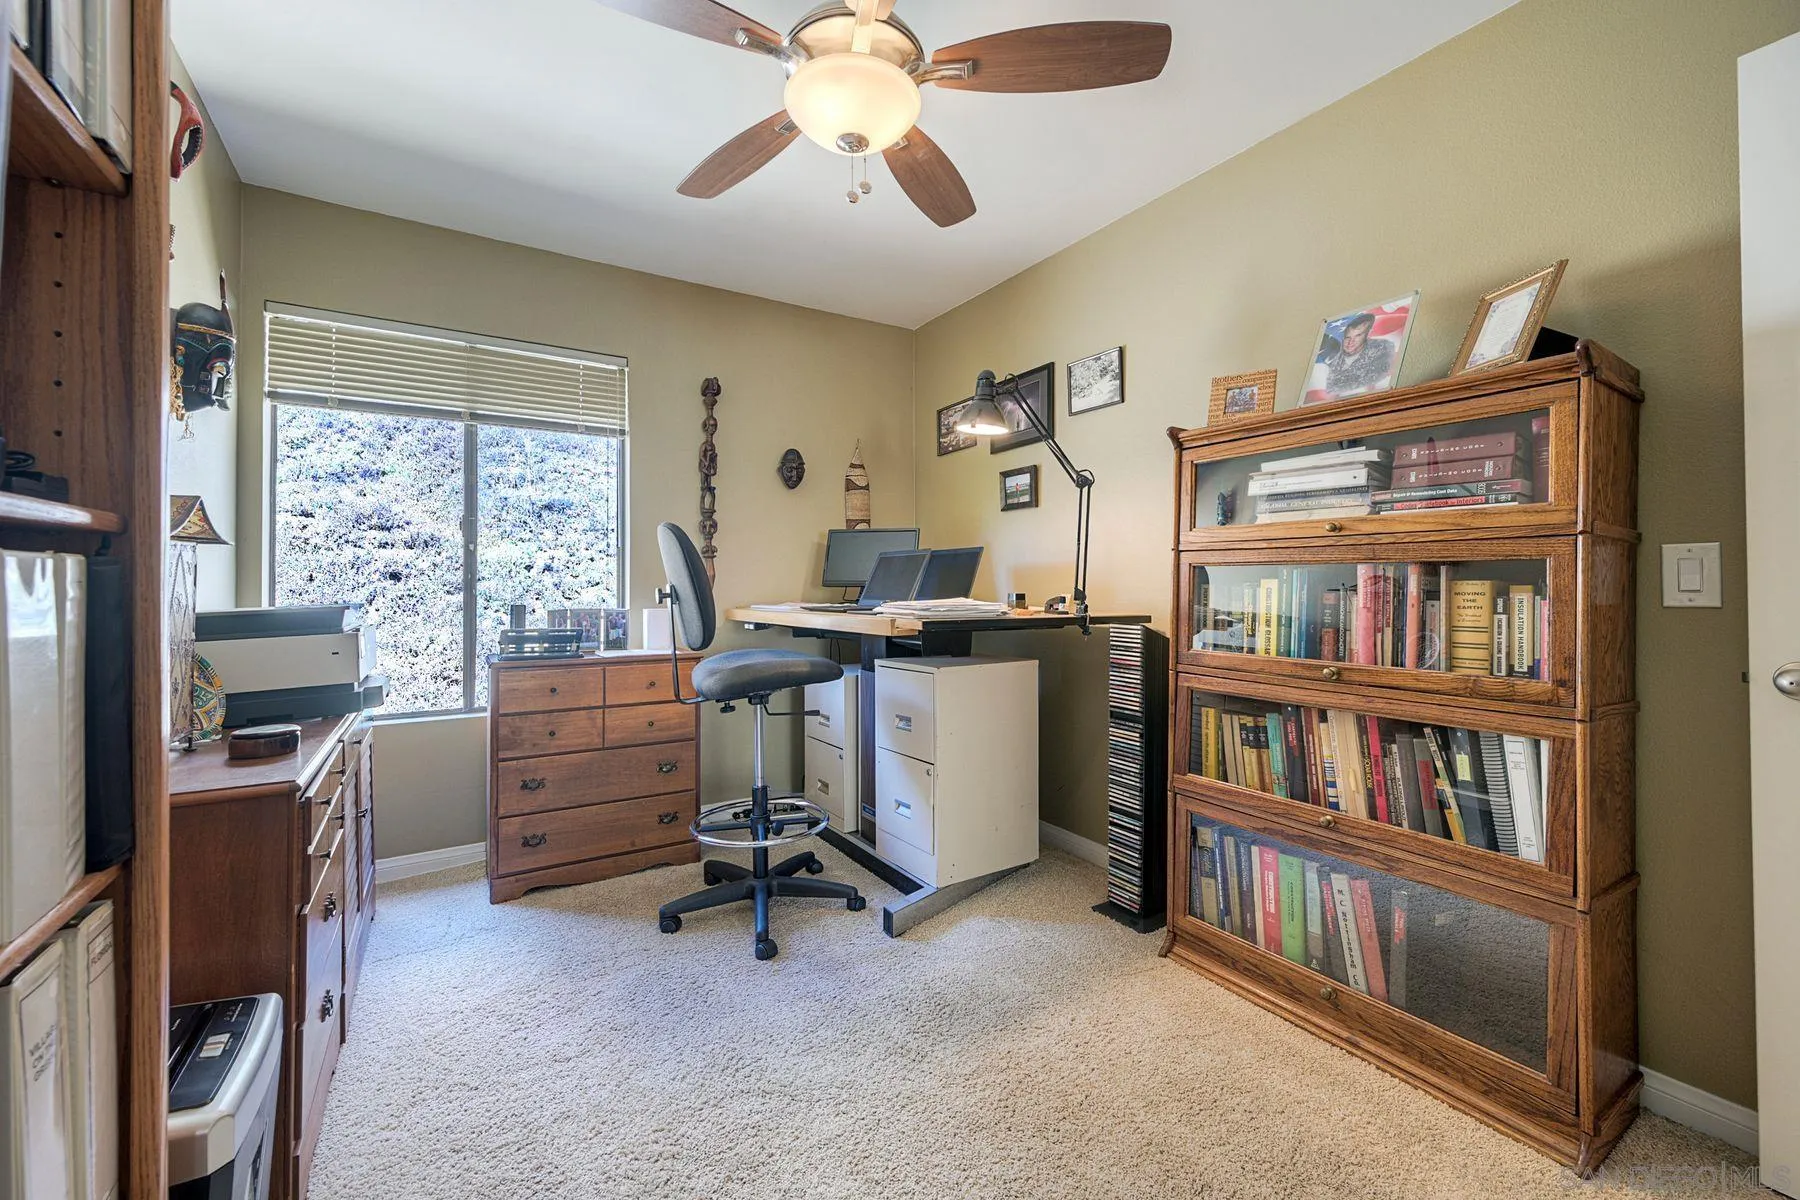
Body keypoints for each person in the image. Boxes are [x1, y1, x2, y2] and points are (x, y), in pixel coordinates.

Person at [1321, 311, 1395, 398]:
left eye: (1358, 336)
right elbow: (1331, 389)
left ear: (1367, 335)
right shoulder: (1333, 361)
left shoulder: (1383, 349)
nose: (1350, 342)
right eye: (1347, 337)